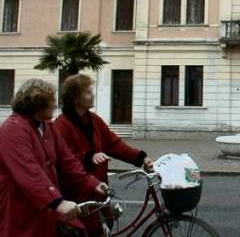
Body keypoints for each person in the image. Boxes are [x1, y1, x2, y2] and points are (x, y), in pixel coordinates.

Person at [0, 79, 108, 237]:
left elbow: (68, 161)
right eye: (51, 101)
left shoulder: (47, 127)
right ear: (37, 104)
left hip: (44, 206)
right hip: (20, 207)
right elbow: (29, 171)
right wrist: (57, 201)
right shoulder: (13, 130)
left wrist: (92, 183)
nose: (55, 105)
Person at [54, 73, 154, 236]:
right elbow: (64, 161)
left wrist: (141, 158)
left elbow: (114, 144)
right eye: (87, 92)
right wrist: (88, 157)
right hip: (78, 197)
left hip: (99, 192)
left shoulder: (94, 120)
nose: (92, 94)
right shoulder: (61, 126)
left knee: (104, 226)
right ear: (75, 98)